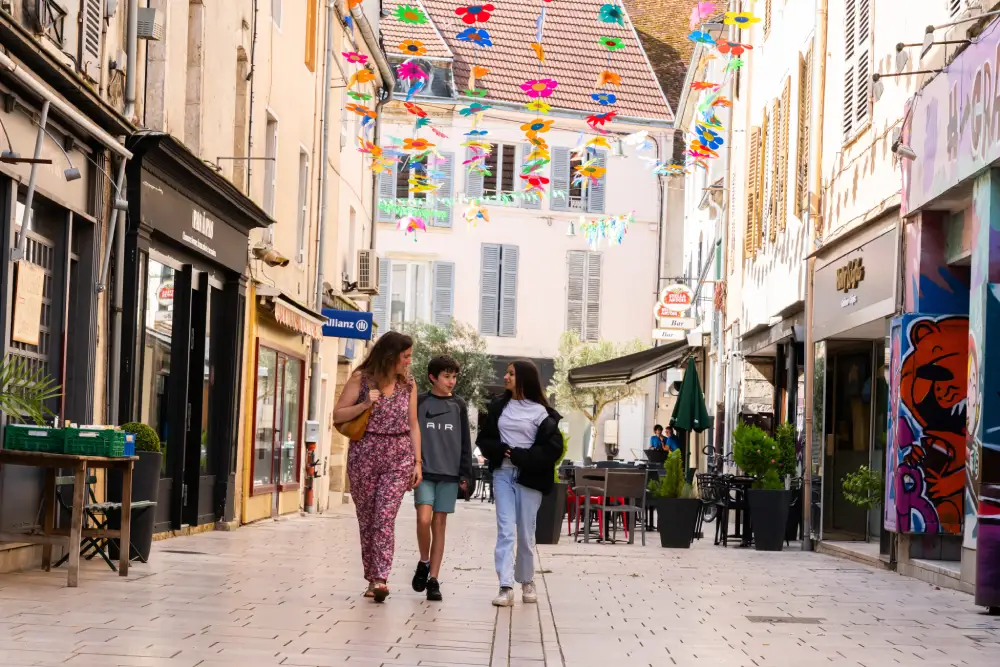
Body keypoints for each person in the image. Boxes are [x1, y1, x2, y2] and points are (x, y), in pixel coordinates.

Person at [333, 331, 422, 603]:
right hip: (365, 454)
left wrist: (418, 462)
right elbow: (337, 416)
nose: (409, 361)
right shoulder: (361, 379)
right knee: (368, 519)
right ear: (391, 356)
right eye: (405, 356)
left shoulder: (408, 385)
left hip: (398, 456)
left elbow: (413, 424)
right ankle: (372, 577)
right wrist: (365, 403)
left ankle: (381, 577)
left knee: (384, 516)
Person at [477, 360, 563, 607]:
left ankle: (527, 580)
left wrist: (522, 457)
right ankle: (505, 586)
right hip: (503, 475)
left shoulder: (541, 413)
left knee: (526, 534)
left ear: (524, 378)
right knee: (505, 530)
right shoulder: (498, 406)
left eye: (511, 374)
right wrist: (501, 449)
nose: (506, 377)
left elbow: (553, 449)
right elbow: (485, 439)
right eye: (507, 373)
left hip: (529, 478)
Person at [411, 355, 473, 602]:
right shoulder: (421, 402)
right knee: (423, 518)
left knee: (439, 524)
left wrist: (466, 474)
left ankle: (434, 579)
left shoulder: (459, 405)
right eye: (446, 376)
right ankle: (424, 561)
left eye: (454, 376)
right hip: (424, 472)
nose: (452, 381)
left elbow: (465, 442)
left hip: (450, 473)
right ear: (432, 377)